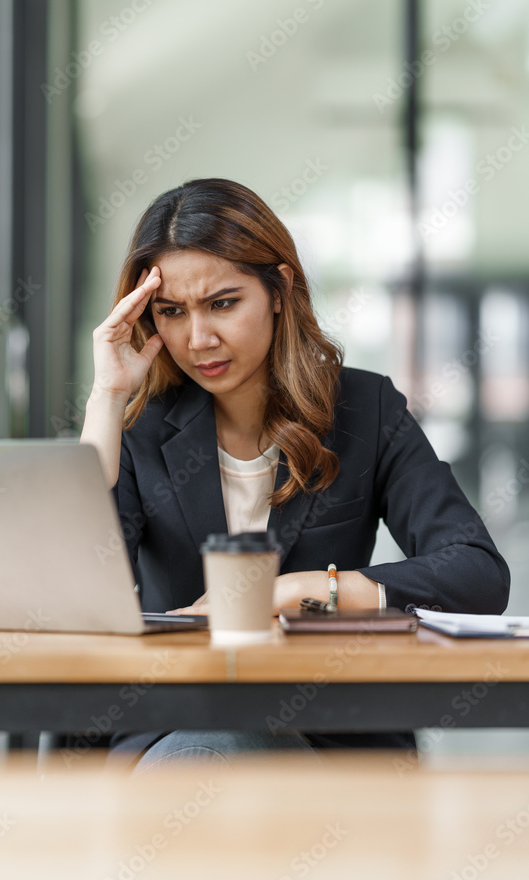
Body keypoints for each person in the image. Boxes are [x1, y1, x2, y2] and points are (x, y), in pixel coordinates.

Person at [79, 177, 510, 773]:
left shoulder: (365, 409)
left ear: (279, 289)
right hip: (180, 725)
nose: (198, 338)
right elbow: (74, 602)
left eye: (223, 303)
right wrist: (105, 398)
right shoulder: (138, 429)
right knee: (214, 756)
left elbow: (477, 573)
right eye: (171, 312)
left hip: (331, 733)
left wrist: (303, 589)